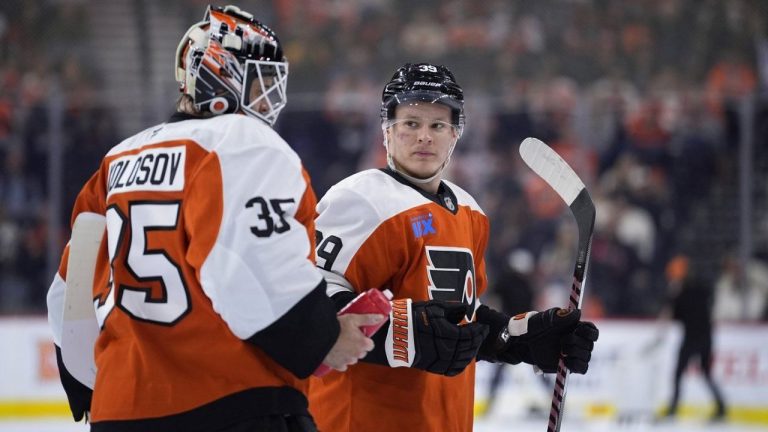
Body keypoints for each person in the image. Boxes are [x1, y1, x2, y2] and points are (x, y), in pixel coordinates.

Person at [45, 5, 383, 431]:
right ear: (218, 74)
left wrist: (89, 388)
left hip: (120, 412)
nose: (269, 98)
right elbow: (246, 265)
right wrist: (321, 339)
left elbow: (68, 296)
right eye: (259, 81)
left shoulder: (117, 161)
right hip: (235, 401)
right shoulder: (243, 142)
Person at [308, 62, 599, 431]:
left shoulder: (469, 212)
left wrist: (516, 338)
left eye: (438, 125)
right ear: (387, 130)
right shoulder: (360, 199)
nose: (424, 136)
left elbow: (461, 323)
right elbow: (314, 305)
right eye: (411, 123)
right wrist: (407, 333)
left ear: (455, 134)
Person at [659, 255, 727, 422]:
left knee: (679, 373)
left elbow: (676, 315)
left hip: (692, 338)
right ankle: (721, 407)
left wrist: (672, 297)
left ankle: (674, 407)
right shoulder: (701, 288)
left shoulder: (681, 293)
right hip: (705, 337)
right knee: (705, 373)